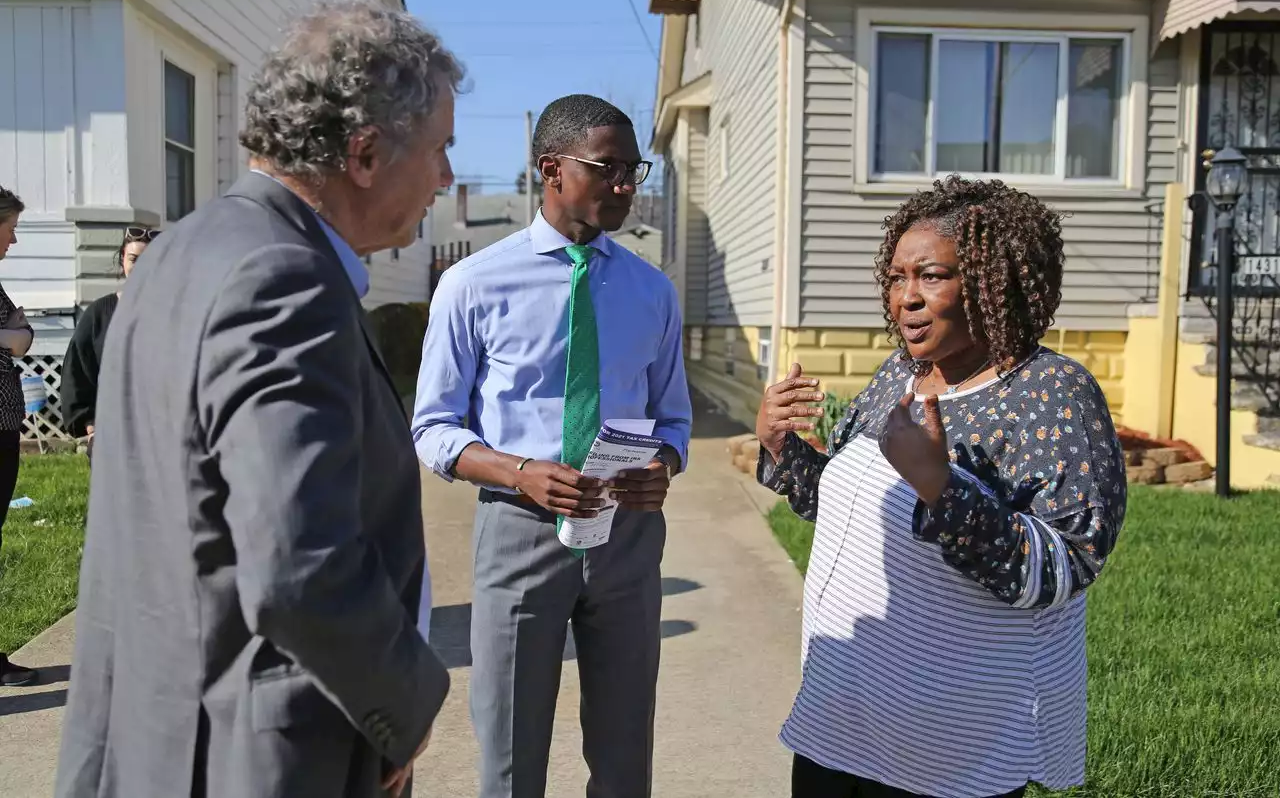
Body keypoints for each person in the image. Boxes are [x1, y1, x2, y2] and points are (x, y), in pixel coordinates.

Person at [55, 0, 461, 798]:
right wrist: (404, 706)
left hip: (155, 730)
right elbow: (299, 564)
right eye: (442, 149)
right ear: (367, 152)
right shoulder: (284, 278)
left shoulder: (181, 250)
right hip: (254, 757)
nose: (447, 178)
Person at [756, 175, 1128, 798]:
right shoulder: (900, 373)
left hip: (952, 743)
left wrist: (940, 485)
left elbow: (1064, 566)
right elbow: (846, 509)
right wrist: (780, 446)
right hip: (841, 713)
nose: (906, 298)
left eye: (931, 276)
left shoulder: (1049, 393)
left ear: (990, 281)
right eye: (897, 277)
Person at [413, 94, 692, 798]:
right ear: (551, 169)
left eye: (635, 169)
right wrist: (520, 473)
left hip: (627, 536)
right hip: (519, 530)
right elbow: (434, 428)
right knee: (510, 753)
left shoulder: (652, 292)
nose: (627, 185)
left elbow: (674, 420)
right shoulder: (472, 285)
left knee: (626, 754)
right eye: (609, 168)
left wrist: (662, 466)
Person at [59, 226, 160, 456]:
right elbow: (76, 374)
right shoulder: (99, 314)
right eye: (134, 259)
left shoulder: (174, 311)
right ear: (123, 260)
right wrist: (91, 426)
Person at [0, 184, 37, 688]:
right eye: (10, 229)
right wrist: (10, 334)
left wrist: (11, 334)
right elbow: (15, 334)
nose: (13, 241)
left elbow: (25, 336)